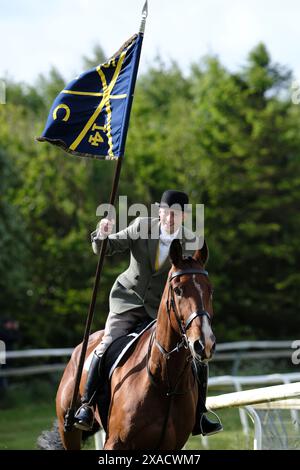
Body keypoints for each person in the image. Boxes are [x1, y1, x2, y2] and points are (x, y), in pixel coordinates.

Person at [74, 190, 222, 436]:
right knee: (106, 344)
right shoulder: (141, 226)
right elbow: (106, 248)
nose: (170, 218)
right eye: (166, 212)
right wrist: (101, 233)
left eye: (176, 214)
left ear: (184, 216)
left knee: (195, 355)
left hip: (162, 311)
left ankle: (199, 414)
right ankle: (87, 407)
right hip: (128, 301)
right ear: (159, 211)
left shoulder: (192, 240)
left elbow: (193, 281)